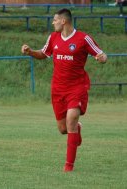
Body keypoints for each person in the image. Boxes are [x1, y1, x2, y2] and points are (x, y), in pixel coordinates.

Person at [21, 8, 107, 172]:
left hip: (77, 87)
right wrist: (30, 52)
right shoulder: (53, 38)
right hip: (58, 89)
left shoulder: (83, 38)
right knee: (63, 129)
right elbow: (43, 54)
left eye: (55, 20)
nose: (53, 22)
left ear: (63, 21)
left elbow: (102, 55)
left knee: (71, 118)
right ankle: (77, 129)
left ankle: (68, 167)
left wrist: (101, 58)